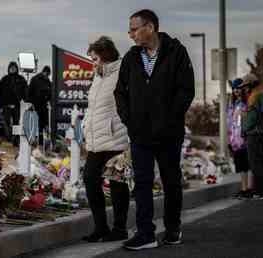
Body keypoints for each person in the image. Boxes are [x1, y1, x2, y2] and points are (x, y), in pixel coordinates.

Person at [114, 9, 195, 250]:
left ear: (150, 28)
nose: (130, 34)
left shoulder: (176, 53)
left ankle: (172, 229)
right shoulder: (131, 58)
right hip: (140, 134)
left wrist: (169, 119)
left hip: (169, 133)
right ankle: (146, 234)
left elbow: (186, 91)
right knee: (142, 184)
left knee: (171, 183)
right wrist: (129, 120)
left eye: (134, 29)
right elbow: (120, 92)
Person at [82, 36, 130, 242]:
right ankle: (100, 227)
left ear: (106, 56)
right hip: (96, 140)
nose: (92, 62)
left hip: (116, 138)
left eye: (95, 58)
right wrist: (85, 126)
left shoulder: (122, 73)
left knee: (117, 183)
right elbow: (93, 108)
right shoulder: (98, 77)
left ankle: (120, 229)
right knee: (90, 179)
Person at [241, 73, 263, 200]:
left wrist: (244, 127)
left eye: (245, 86)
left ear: (251, 84)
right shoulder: (262, 95)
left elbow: (251, 118)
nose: (244, 89)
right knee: (262, 163)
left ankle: (259, 192)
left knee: (255, 164)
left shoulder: (254, 97)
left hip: (254, 134)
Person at [228, 78, 253, 199]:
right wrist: (230, 139)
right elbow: (231, 123)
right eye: (234, 89)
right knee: (241, 166)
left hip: (245, 138)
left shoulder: (246, 102)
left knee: (247, 165)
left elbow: (248, 118)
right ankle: (244, 189)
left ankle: (249, 188)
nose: (236, 91)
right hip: (235, 140)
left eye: (238, 88)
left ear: (242, 89)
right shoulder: (233, 104)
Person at [0, 61, 27, 145]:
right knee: (6, 123)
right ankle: (9, 137)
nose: (12, 69)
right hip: (6, 106)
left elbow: (25, 92)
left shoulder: (21, 79)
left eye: (14, 68)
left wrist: (24, 102)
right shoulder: (4, 79)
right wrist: (0, 106)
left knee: (16, 123)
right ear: (9, 69)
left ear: (16, 69)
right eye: (11, 68)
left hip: (17, 106)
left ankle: (16, 139)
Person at [27, 66, 52, 138]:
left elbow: (50, 93)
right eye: (47, 73)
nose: (47, 75)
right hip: (37, 104)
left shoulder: (46, 81)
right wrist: (30, 103)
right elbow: (29, 92)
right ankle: (37, 138)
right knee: (39, 123)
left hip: (42, 105)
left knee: (41, 123)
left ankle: (39, 139)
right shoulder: (36, 79)